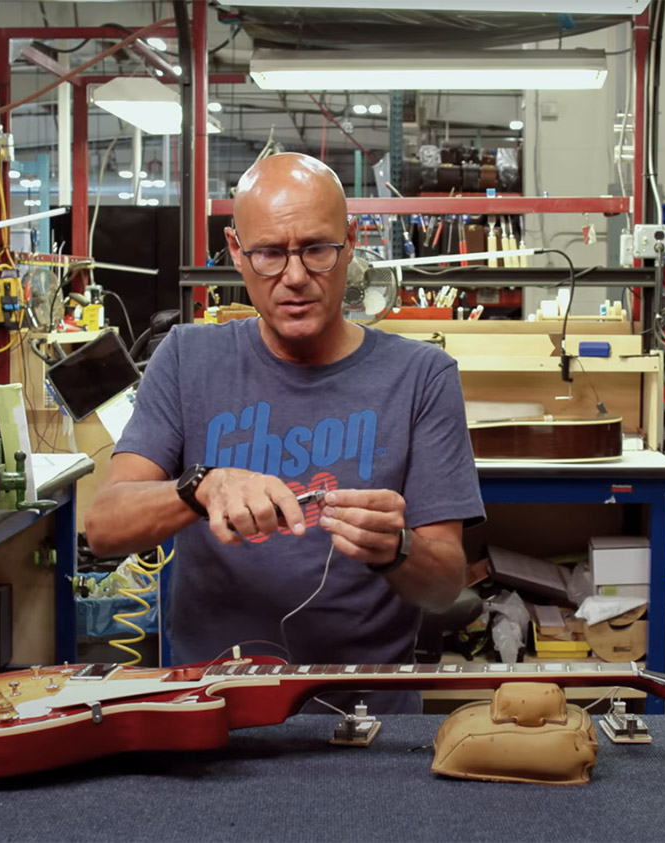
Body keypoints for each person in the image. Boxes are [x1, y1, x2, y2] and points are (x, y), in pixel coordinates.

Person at [84, 153, 484, 713]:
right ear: (236, 252)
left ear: (349, 242)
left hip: (366, 714)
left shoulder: (420, 376)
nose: (294, 277)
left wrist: (397, 551)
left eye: (316, 249)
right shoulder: (186, 359)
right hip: (209, 709)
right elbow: (103, 527)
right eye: (270, 253)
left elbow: (444, 584)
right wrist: (199, 487)